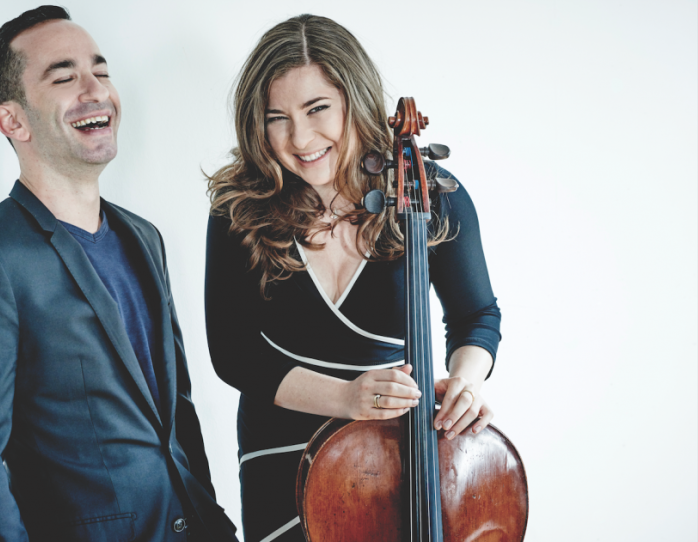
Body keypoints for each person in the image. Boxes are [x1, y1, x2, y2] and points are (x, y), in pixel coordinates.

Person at [0, 6, 237, 541]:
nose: (96, 89)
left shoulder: (144, 237)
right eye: (65, 76)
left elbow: (177, 414)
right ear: (12, 121)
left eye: (102, 70)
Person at [204, 14, 502, 542]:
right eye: (278, 117)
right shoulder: (240, 205)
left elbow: (475, 315)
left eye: (317, 108)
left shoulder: (432, 195)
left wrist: (464, 382)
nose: (299, 137)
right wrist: (345, 399)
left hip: (392, 451)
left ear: (354, 98)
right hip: (281, 452)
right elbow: (233, 351)